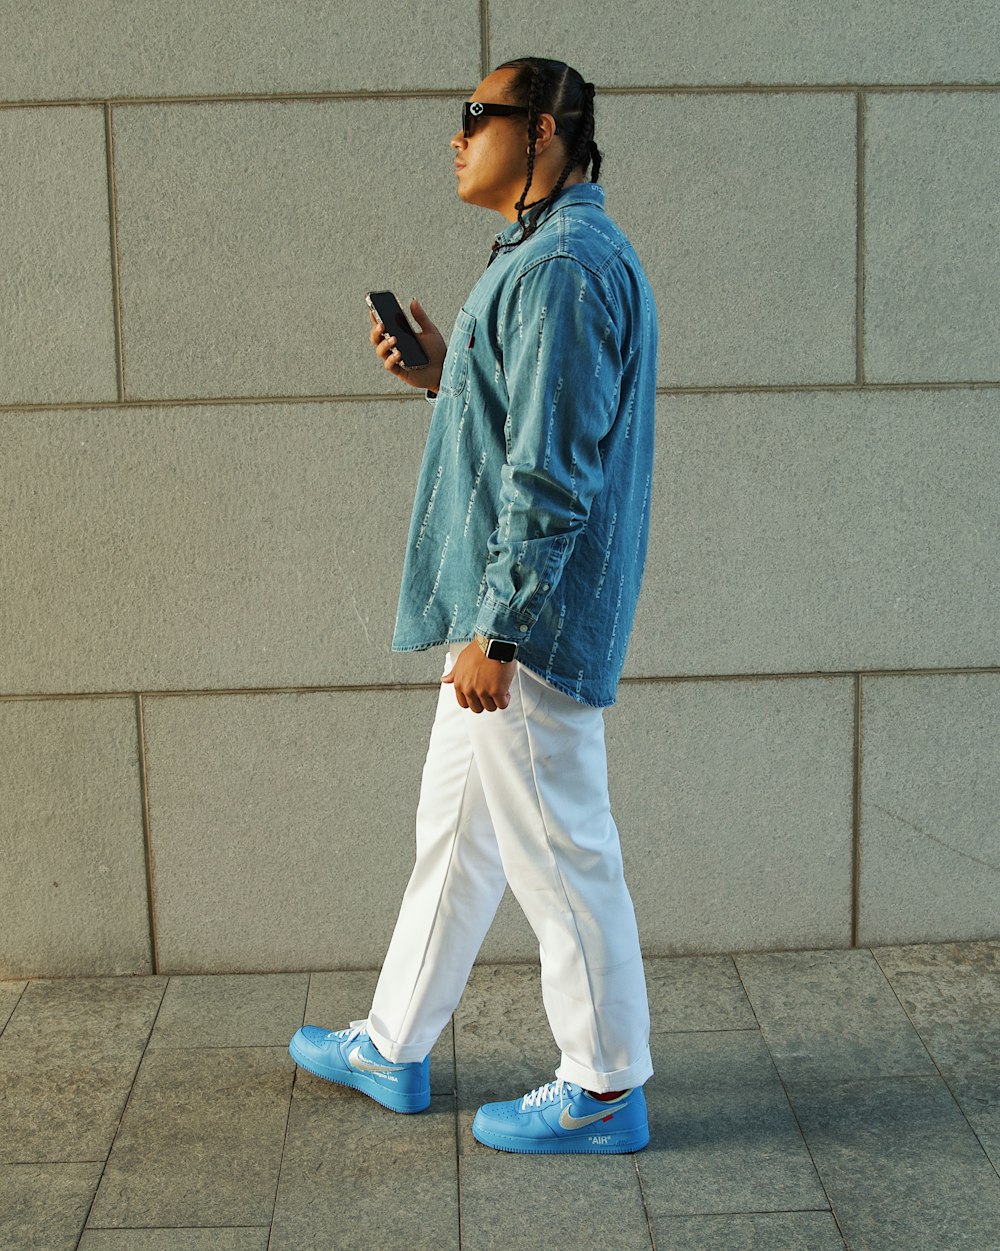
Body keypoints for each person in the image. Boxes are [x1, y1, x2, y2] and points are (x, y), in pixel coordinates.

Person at [290, 56, 658, 1155]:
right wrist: (447, 376)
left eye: (475, 117)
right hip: (501, 612)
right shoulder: (546, 256)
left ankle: (602, 1087)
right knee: (454, 830)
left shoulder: (560, 269)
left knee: (561, 847)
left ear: (541, 132)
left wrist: (501, 629)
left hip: (524, 622)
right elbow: (527, 424)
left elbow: (552, 473)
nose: (455, 137)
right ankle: (392, 1043)